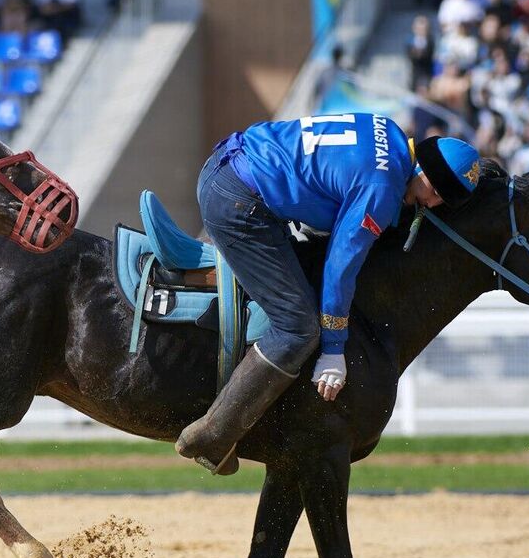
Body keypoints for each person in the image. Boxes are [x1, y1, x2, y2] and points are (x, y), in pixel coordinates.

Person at [175, 113, 480, 473]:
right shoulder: (382, 189)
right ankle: (213, 435)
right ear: (423, 174)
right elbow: (341, 267)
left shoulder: (389, 131)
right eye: (436, 194)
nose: (432, 205)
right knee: (298, 328)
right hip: (240, 200)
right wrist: (334, 348)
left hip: (232, 167)